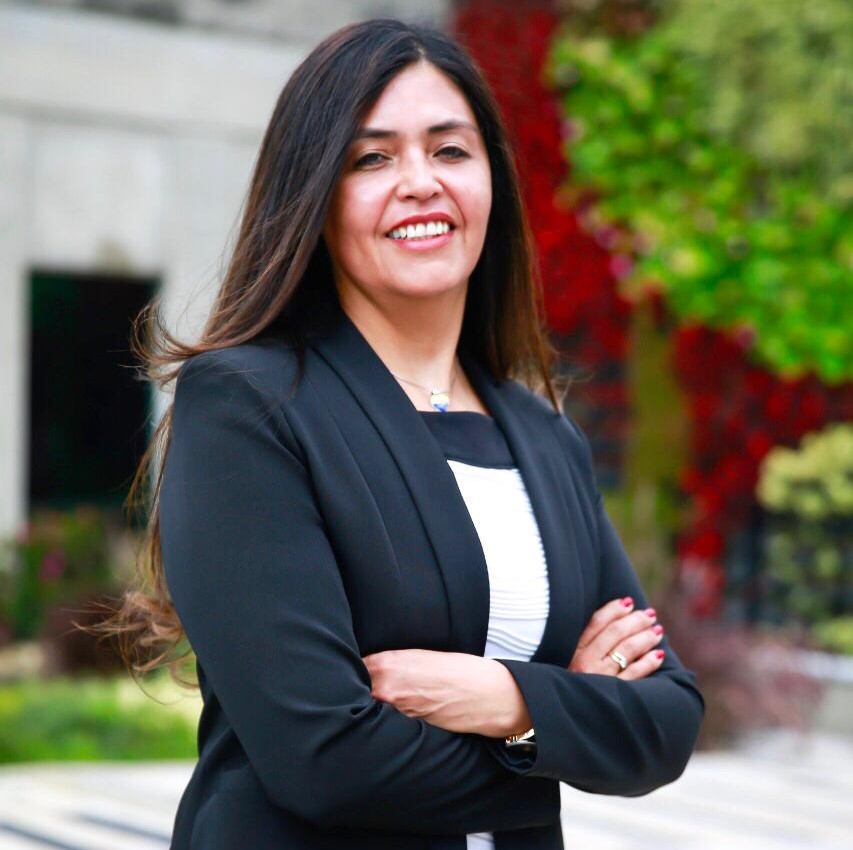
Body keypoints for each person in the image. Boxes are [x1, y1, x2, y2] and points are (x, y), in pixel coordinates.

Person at [105, 17, 704, 850]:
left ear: (491, 182)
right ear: (314, 199)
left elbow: (667, 717)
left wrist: (508, 701)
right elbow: (324, 759)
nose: (420, 182)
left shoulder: (542, 437)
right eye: (371, 159)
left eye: (449, 150)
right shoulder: (250, 406)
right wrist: (562, 726)